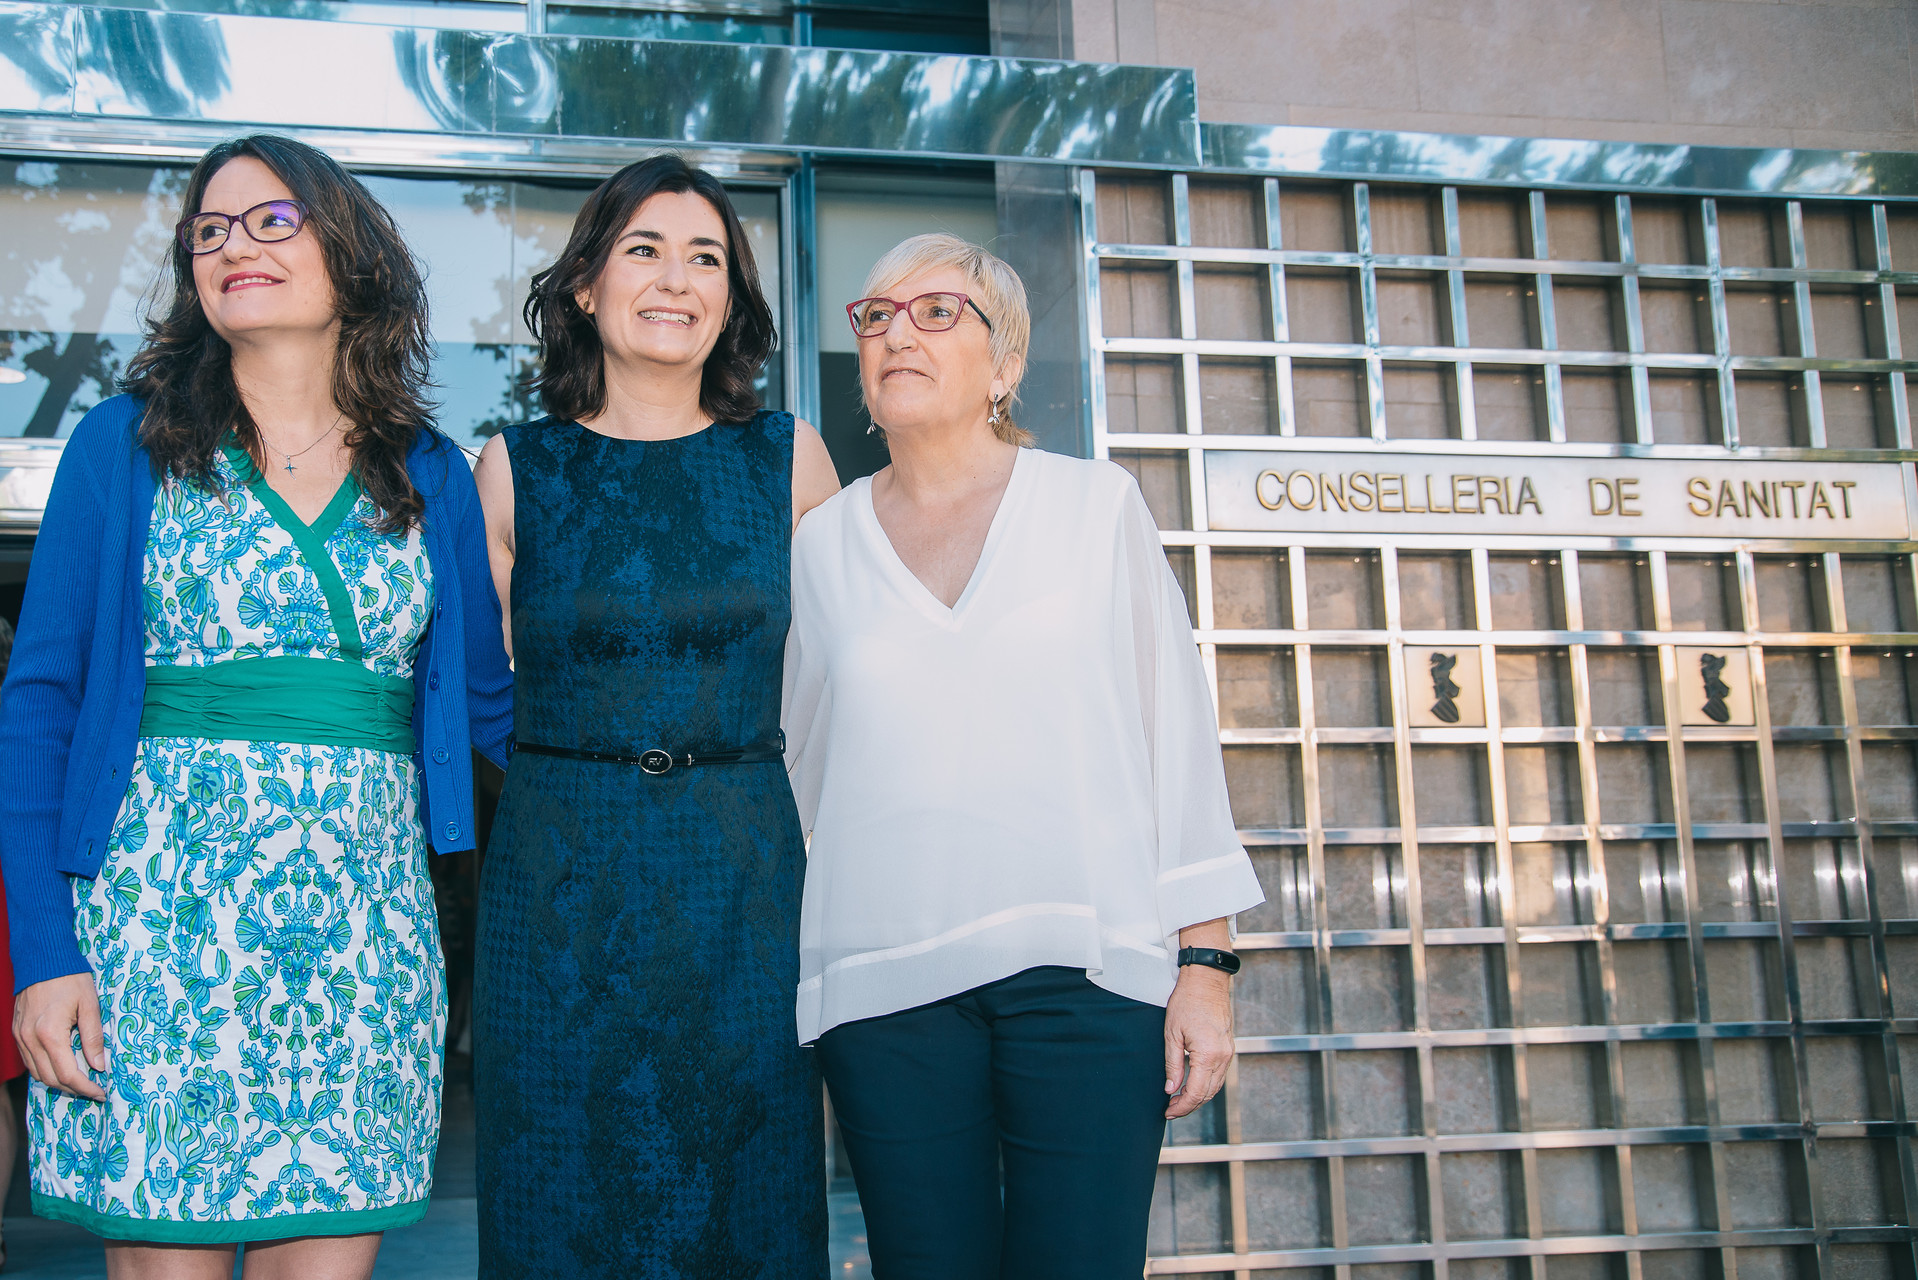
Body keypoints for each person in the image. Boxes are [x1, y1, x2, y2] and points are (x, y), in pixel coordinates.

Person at [0, 133, 512, 1277]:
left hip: (365, 942)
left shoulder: (429, 471)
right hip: (149, 934)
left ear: (352, 252)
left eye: (273, 219)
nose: (235, 243)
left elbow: (492, 714)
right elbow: (37, 704)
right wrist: (44, 952)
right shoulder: (121, 447)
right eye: (211, 229)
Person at [782, 233, 1266, 1280]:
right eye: (876, 315)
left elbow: (1172, 735)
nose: (897, 330)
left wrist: (1206, 966)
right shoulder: (821, 545)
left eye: (936, 311)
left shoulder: (1095, 508)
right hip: (882, 990)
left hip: (1085, 976)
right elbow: (797, 770)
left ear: (1004, 365)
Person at [471, 153, 840, 1279]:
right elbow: (478, 695)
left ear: (730, 295)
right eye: (643, 249)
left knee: (750, 1203)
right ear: (585, 284)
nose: (675, 278)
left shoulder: (786, 458)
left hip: (743, 891)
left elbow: (847, 688)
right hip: (556, 896)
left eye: (705, 257)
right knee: (557, 1207)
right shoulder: (515, 465)